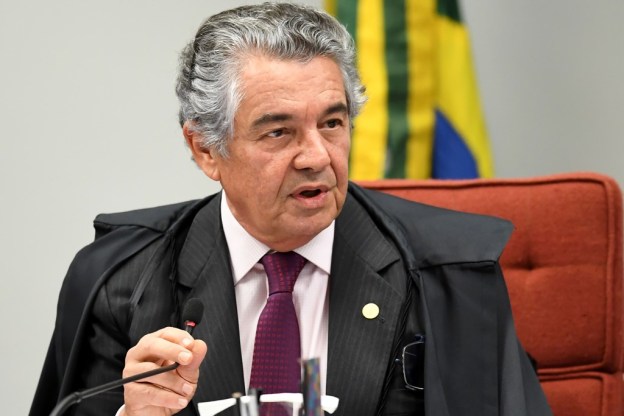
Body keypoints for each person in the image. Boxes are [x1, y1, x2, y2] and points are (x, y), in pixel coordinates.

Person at [30, 3, 552, 416]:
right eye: (279, 132)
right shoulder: (123, 281)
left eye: (332, 123)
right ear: (205, 149)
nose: (317, 157)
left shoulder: (450, 273)